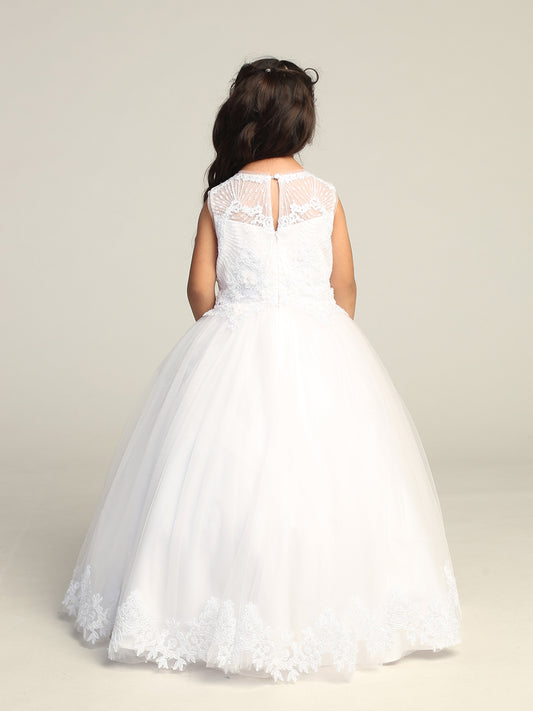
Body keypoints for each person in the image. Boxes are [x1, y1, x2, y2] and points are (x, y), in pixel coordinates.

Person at [58, 57, 462, 684]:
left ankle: (204, 603)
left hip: (232, 340)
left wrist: (229, 332)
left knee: (225, 475)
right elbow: (346, 286)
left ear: (240, 120)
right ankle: (330, 606)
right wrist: (326, 337)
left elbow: (199, 291)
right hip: (322, 340)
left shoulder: (220, 199)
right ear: (303, 123)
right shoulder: (325, 197)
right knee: (330, 476)